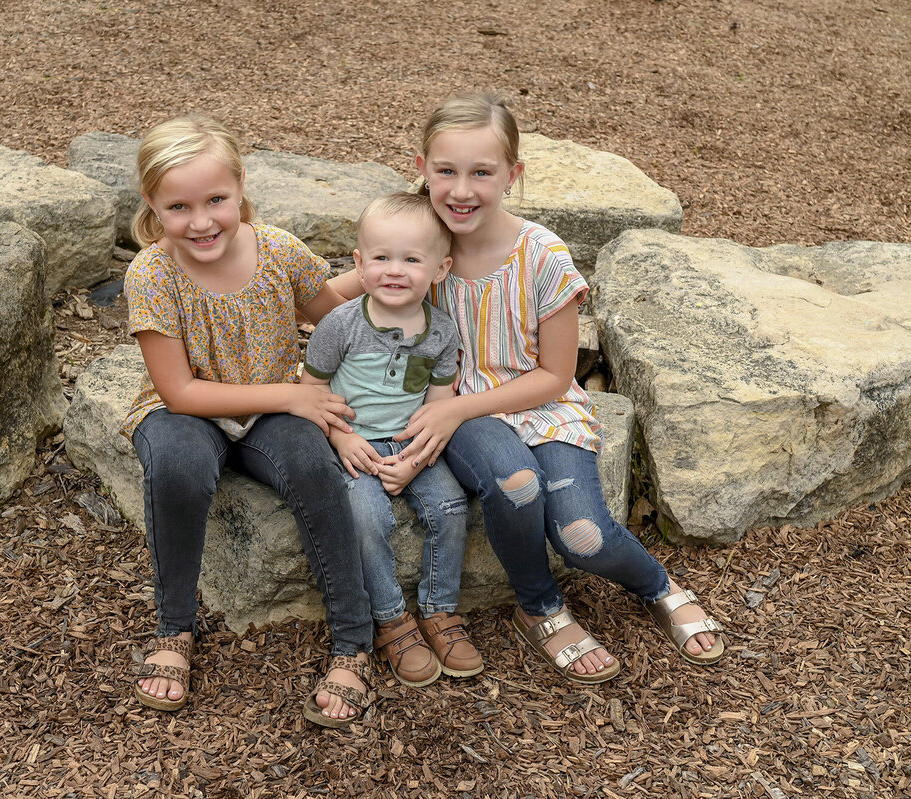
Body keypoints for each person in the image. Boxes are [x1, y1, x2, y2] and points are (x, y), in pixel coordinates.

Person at [394, 94, 725, 683]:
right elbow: (344, 287)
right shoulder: (422, 242)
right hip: (465, 414)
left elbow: (554, 375)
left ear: (513, 175)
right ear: (422, 167)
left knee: (585, 537)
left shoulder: (541, 254)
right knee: (516, 486)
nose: (461, 189)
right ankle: (539, 605)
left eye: (481, 172)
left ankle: (656, 584)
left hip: (539, 404)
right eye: (446, 171)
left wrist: (456, 410)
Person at [121, 113, 372, 727]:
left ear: (240, 192)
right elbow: (179, 391)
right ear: (152, 205)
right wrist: (292, 397)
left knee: (315, 466)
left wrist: (385, 268)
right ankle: (175, 628)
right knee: (177, 467)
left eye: (216, 200)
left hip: (269, 413)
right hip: (191, 411)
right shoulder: (152, 274)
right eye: (179, 206)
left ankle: (353, 640)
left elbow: (331, 315)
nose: (201, 221)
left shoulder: (280, 251)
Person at [301, 193, 483, 688]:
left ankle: (440, 611)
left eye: (411, 259)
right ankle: (392, 620)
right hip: (352, 443)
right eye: (381, 258)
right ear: (359, 264)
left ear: (440, 269)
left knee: (449, 508)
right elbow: (311, 392)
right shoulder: (340, 325)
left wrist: (417, 462)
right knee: (364, 517)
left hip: (411, 444)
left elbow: (438, 407)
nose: (395, 270)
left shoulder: (441, 333)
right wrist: (339, 439)